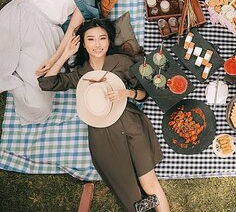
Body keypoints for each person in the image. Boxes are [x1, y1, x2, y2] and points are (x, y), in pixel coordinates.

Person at [38, 19, 170, 212]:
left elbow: (144, 94)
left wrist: (128, 93)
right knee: (129, 196)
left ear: (109, 41)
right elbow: (46, 83)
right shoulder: (81, 73)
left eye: (102, 38)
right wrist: (65, 54)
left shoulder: (122, 62)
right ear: (83, 44)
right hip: (102, 135)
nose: (97, 44)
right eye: (91, 39)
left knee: (149, 186)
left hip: (130, 124)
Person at [0, 0, 119, 124]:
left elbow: (73, 28)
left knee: (39, 106)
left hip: (46, 31)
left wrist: (54, 59)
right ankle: (10, 71)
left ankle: (11, 78)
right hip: (19, 13)